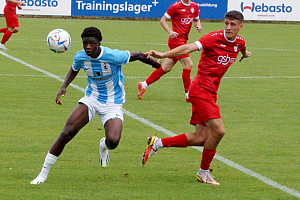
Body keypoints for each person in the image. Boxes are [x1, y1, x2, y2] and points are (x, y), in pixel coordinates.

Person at [30, 27, 161, 184]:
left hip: (113, 103)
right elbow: (74, 69)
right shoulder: (80, 56)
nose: (88, 47)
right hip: (92, 99)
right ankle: (43, 174)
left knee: (113, 141)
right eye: (85, 43)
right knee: (67, 132)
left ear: (99, 43)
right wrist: (64, 86)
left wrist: (158, 67)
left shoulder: (113, 55)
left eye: (92, 43)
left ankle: (103, 145)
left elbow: (139, 55)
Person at [142, 10, 251, 185]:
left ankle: (157, 143)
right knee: (219, 131)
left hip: (211, 93)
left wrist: (245, 54)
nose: (228, 27)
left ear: (240, 26)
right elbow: (188, 47)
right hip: (200, 90)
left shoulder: (240, 42)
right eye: (226, 23)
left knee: (201, 137)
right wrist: (163, 54)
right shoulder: (212, 38)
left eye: (232, 24)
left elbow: (242, 47)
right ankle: (203, 172)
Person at [137, 0, 202, 101]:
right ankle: (188, 95)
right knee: (188, 64)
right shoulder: (175, 6)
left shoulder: (195, 6)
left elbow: (196, 19)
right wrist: (170, 31)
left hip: (184, 41)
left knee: (166, 68)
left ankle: (143, 85)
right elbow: (162, 20)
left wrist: (198, 25)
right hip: (175, 40)